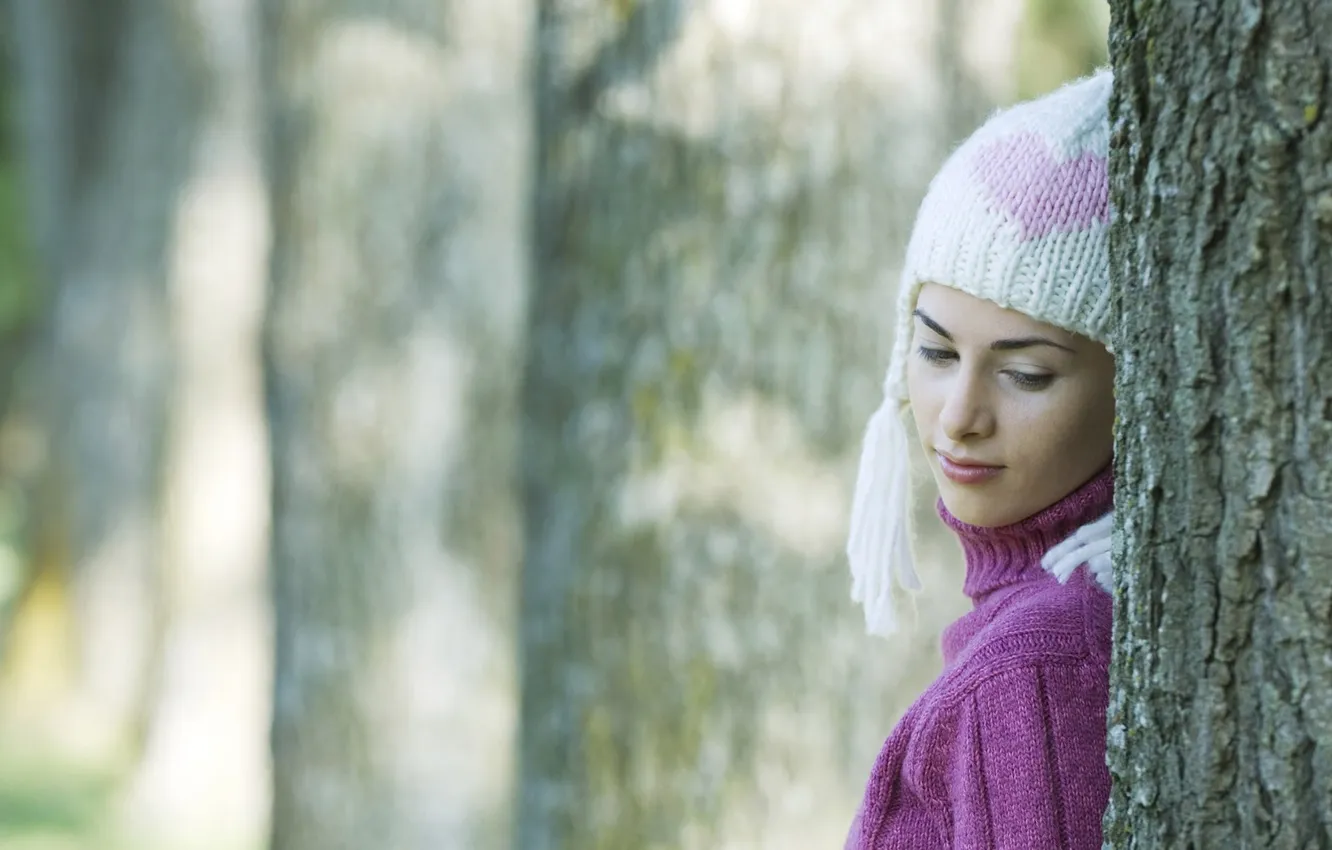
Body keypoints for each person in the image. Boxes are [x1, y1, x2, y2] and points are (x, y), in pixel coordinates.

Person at [844, 70, 1117, 849]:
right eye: (936, 352)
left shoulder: (1034, 667)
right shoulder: (1043, 628)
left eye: (1025, 373)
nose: (959, 417)